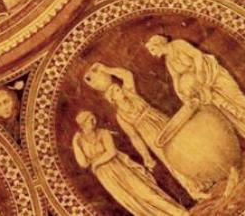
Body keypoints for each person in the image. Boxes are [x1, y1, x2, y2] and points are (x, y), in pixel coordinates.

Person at [83, 63, 210, 200]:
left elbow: (127, 75)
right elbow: (134, 137)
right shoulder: (121, 116)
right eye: (118, 91)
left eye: (119, 88)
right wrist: (146, 156)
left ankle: (205, 177)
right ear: (112, 99)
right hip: (150, 135)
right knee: (170, 159)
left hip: (158, 120)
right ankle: (194, 190)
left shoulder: (130, 93)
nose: (121, 91)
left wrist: (106, 69)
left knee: (182, 146)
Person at [145, 35, 245, 145]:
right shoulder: (168, 61)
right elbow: (176, 79)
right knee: (226, 109)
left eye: (152, 49)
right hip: (201, 86)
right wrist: (182, 96)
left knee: (235, 97)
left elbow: (197, 55)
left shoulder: (178, 44)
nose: (152, 53)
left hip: (212, 73)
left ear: (159, 44)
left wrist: (200, 74)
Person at [71, 111, 188, 216]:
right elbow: (83, 163)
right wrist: (75, 143)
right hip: (106, 177)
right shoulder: (80, 141)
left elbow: (111, 152)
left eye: (93, 118)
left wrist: (96, 164)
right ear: (82, 124)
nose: (94, 121)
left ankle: (179, 213)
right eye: (90, 120)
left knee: (146, 193)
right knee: (131, 202)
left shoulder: (103, 133)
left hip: (120, 167)